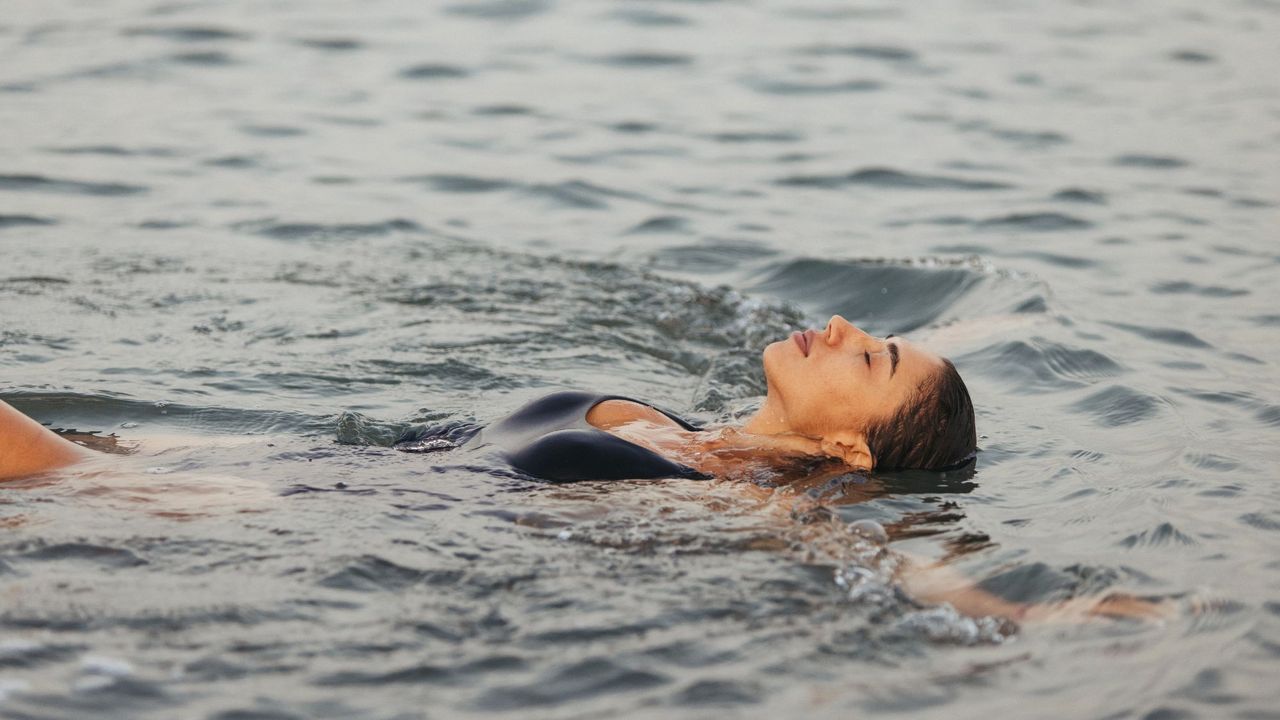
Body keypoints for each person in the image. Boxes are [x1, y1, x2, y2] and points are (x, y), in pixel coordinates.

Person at [412, 315, 976, 483]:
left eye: (875, 357)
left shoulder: (731, 504)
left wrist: (1019, 614)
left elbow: (868, 563)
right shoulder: (691, 436)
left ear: (850, 448)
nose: (838, 325)